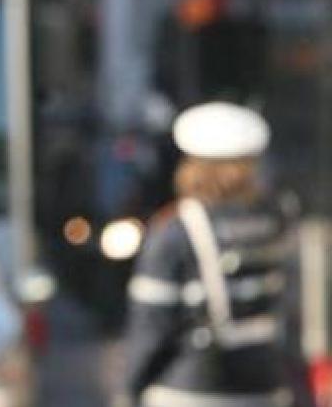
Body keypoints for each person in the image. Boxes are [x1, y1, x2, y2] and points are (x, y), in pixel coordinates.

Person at [123, 102, 296, 406]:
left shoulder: (176, 228)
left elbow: (151, 326)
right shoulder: (276, 219)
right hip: (266, 386)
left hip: (189, 389)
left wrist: (129, 389)